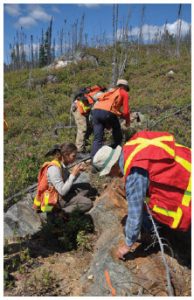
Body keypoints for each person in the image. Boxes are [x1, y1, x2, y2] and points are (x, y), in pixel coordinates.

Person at [92, 130, 191, 260]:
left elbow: (135, 211)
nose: (112, 177)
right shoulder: (132, 146)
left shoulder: (134, 173)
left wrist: (128, 244)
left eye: (109, 173)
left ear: (113, 166)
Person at [33, 143, 93, 214]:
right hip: (56, 198)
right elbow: (62, 192)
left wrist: (77, 172)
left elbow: (68, 181)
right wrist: (73, 174)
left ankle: (74, 200)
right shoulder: (54, 169)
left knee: (86, 187)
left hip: (61, 193)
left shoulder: (61, 165)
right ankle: (62, 212)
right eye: (73, 156)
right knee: (88, 203)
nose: (75, 158)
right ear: (65, 155)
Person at [90, 79, 130, 158]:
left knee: (98, 138)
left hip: (95, 112)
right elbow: (126, 112)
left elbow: (112, 108)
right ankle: (116, 154)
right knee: (118, 135)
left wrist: (121, 115)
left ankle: (94, 159)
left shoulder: (110, 92)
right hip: (107, 113)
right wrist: (127, 121)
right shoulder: (124, 93)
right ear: (124, 86)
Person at [72, 85, 106, 158]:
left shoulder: (94, 94)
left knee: (90, 127)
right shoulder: (97, 95)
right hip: (78, 108)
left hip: (84, 110)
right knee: (83, 128)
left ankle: (85, 146)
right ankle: (79, 151)